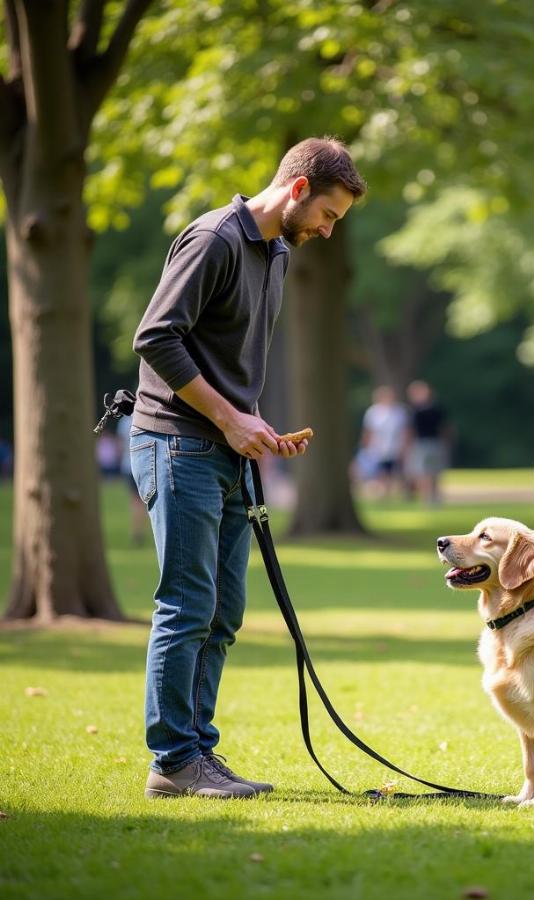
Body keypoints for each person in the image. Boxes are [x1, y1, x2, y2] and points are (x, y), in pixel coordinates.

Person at [130, 137, 366, 800]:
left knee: (225, 608)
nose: (327, 228)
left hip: (229, 451)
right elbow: (156, 337)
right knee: (187, 604)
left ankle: (198, 751)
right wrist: (230, 419)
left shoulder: (277, 252)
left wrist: (255, 427)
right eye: (329, 214)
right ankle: (173, 759)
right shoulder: (214, 240)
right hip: (176, 445)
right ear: (297, 190)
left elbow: (229, 360)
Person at [405, 380, 451, 505]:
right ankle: (428, 498)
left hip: (432, 444)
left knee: (432, 472)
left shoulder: (433, 410)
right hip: (422, 444)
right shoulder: (415, 411)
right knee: (425, 473)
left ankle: (433, 498)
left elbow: (444, 428)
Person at [360, 386, 409, 498]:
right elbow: (368, 431)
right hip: (377, 448)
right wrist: (366, 446)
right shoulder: (372, 412)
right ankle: (383, 493)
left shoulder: (399, 412)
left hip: (395, 447)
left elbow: (405, 431)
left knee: (393, 472)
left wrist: (405, 447)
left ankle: (392, 493)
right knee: (380, 472)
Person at [116, 413, 148, 546]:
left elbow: (120, 445)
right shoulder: (146, 416)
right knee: (145, 501)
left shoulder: (125, 421)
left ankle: (137, 531)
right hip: (144, 464)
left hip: (128, 465)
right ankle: (140, 532)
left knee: (135, 501)